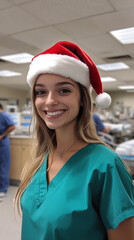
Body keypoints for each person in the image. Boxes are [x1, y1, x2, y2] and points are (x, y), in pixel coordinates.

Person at [14, 41, 134, 240]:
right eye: (41, 92)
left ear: (82, 99)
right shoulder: (39, 161)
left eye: (63, 90)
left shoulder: (106, 165)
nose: (50, 101)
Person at [0, 103, 15, 201]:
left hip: (2, 144)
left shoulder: (4, 116)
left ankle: (3, 189)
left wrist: (2, 136)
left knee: (3, 166)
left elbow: (12, 126)